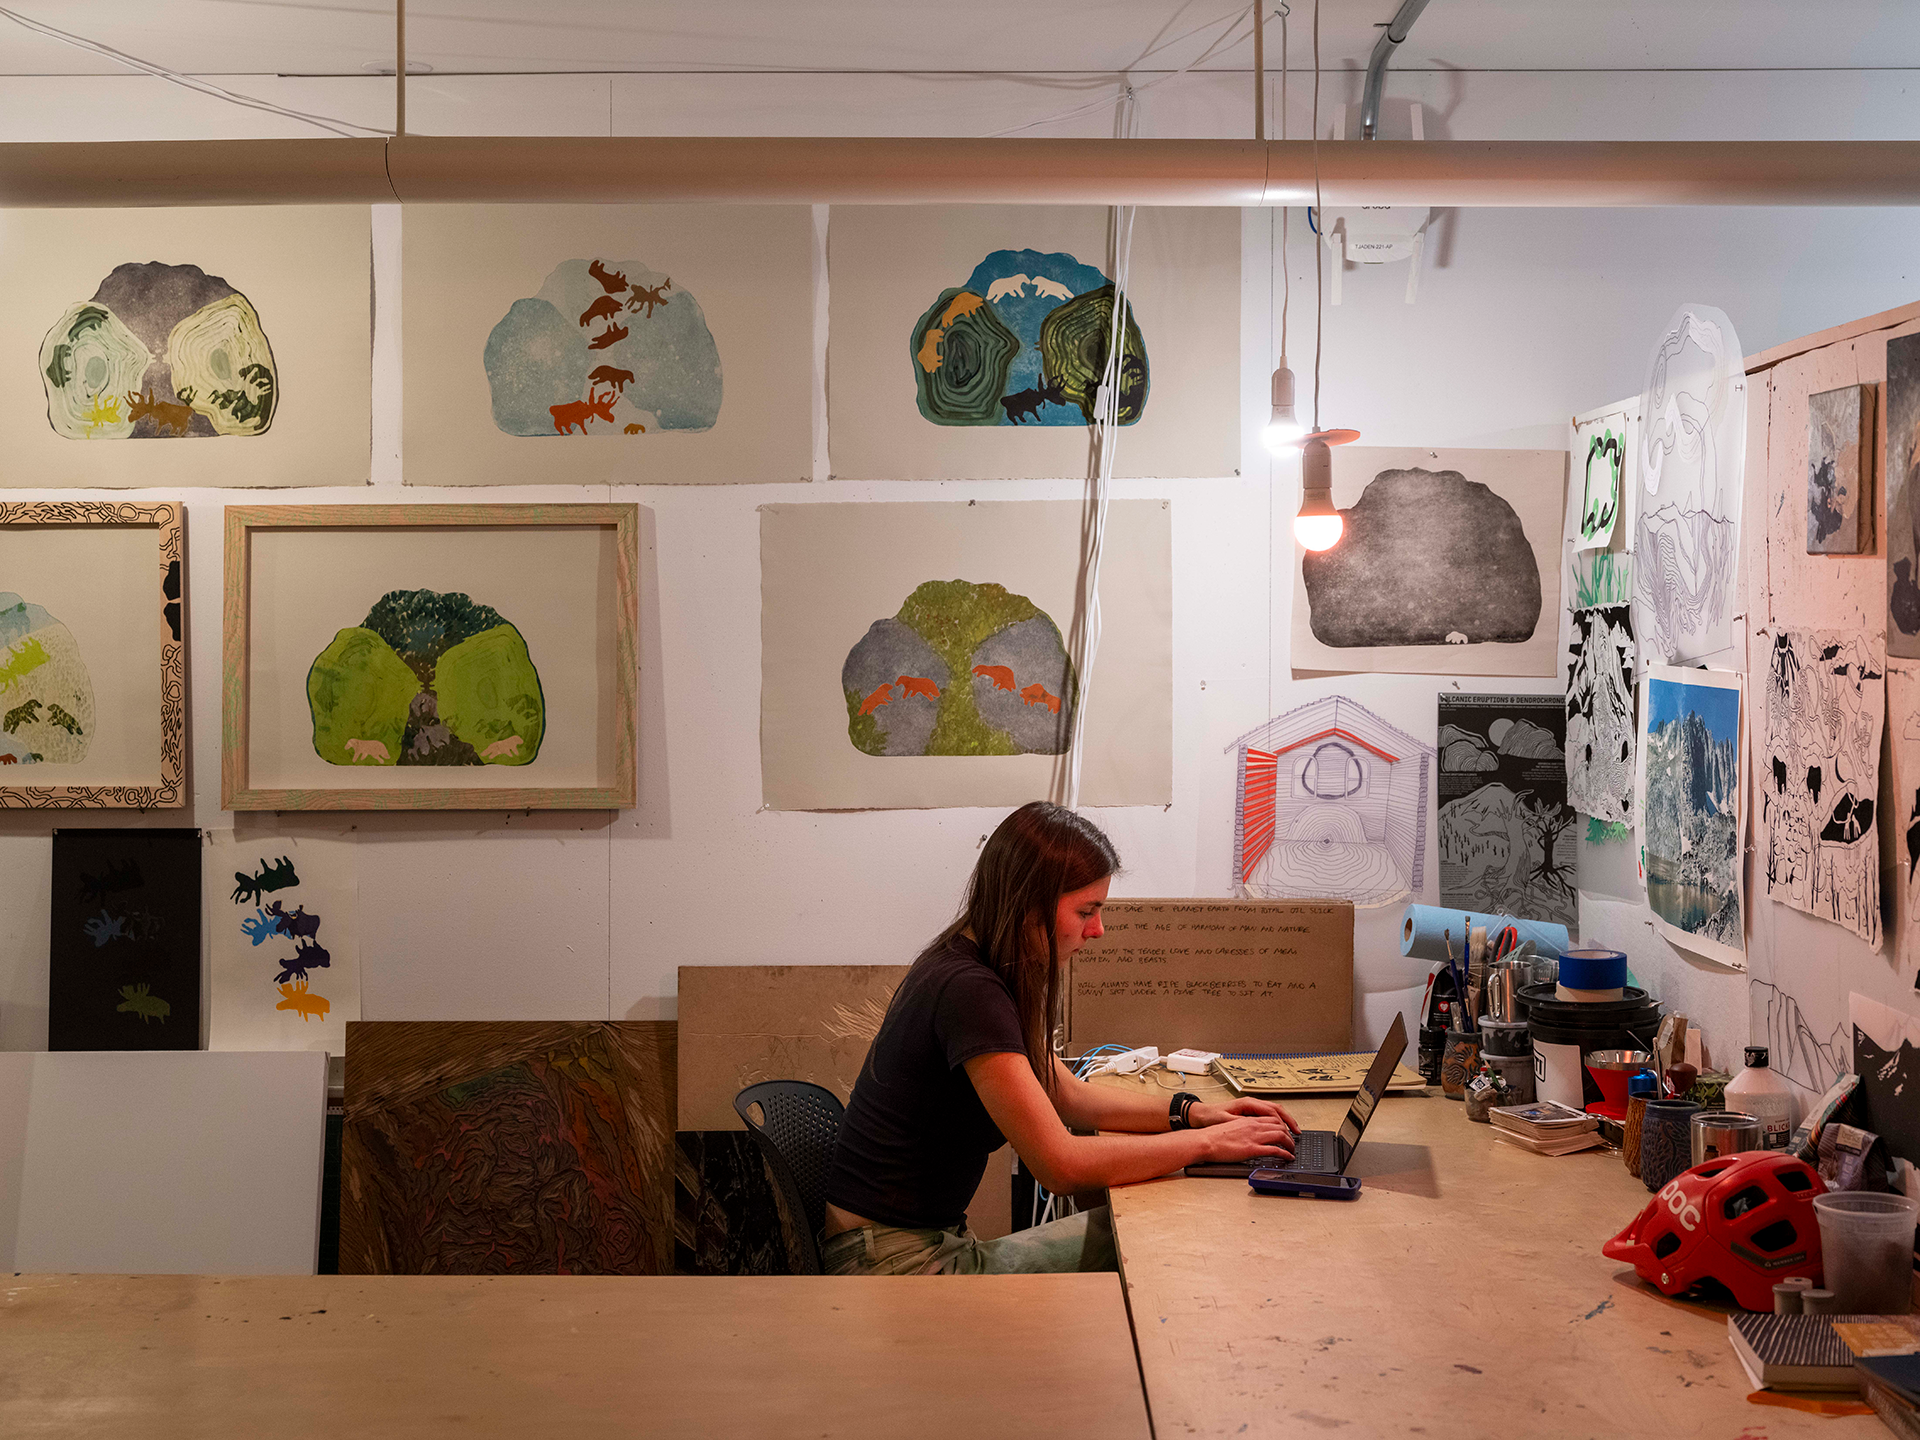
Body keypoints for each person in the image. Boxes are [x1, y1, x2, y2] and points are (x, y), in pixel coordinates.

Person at [821, 801, 1298, 1276]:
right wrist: (1209, 1144)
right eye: (1086, 911)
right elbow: (1061, 1166)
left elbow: (1063, 1092)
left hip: (909, 1243)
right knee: (1160, 1229)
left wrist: (1193, 1114)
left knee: (1154, 1215)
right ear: (1027, 905)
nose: (1098, 930)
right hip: (894, 1266)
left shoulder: (978, 966)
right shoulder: (969, 991)